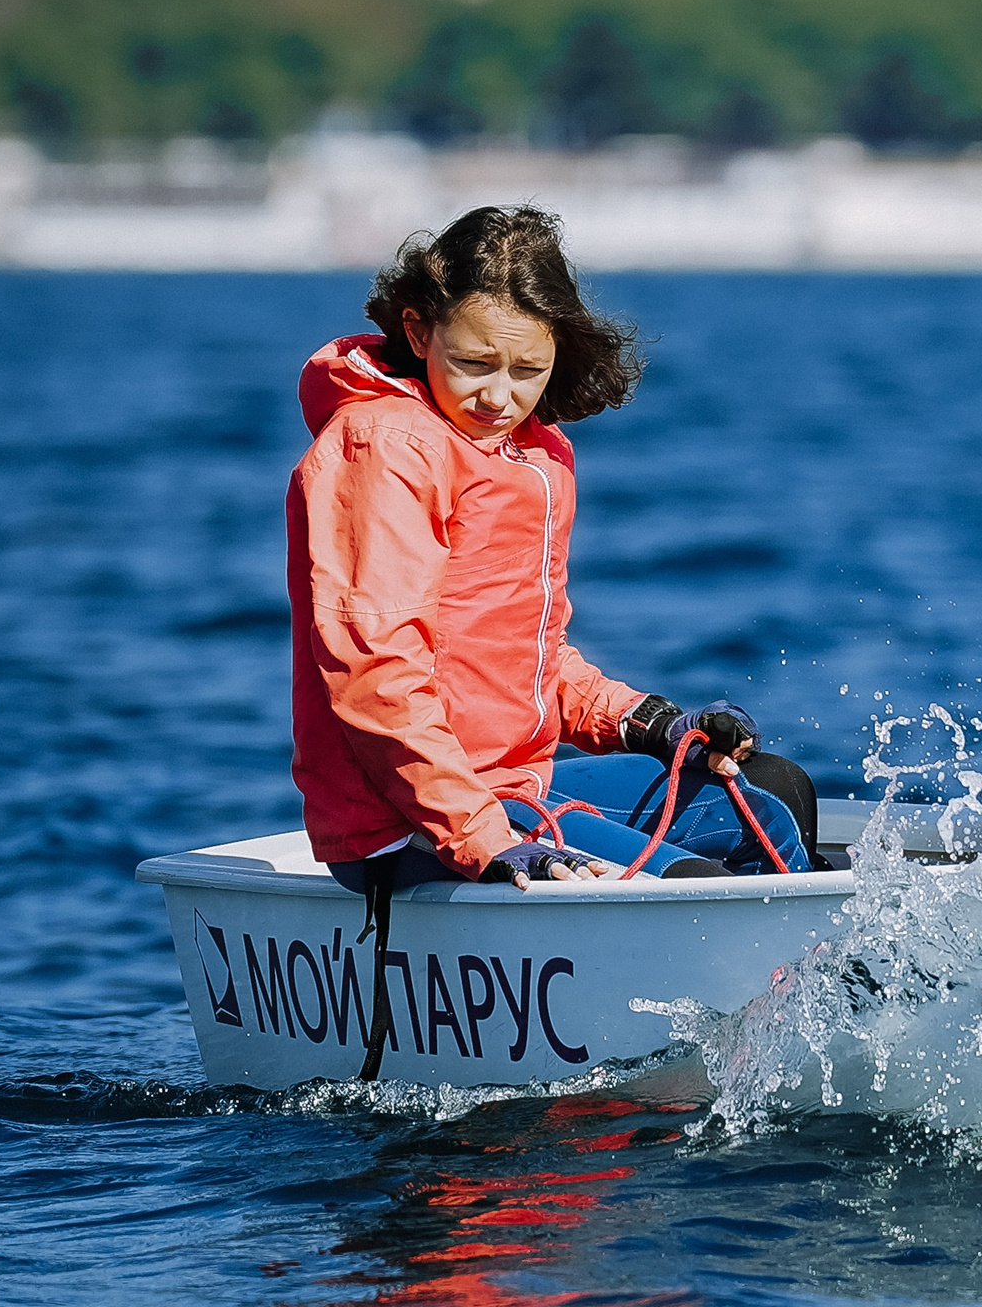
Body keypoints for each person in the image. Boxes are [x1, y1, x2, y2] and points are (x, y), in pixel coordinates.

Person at [288, 205, 820, 902]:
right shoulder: (385, 447)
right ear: (419, 331)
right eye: (476, 363)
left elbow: (529, 659)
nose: (499, 395)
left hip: (515, 791)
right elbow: (376, 678)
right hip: (406, 821)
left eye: (527, 369)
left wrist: (653, 722)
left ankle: (814, 1003)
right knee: (691, 892)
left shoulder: (535, 456)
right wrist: (489, 841)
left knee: (775, 797)